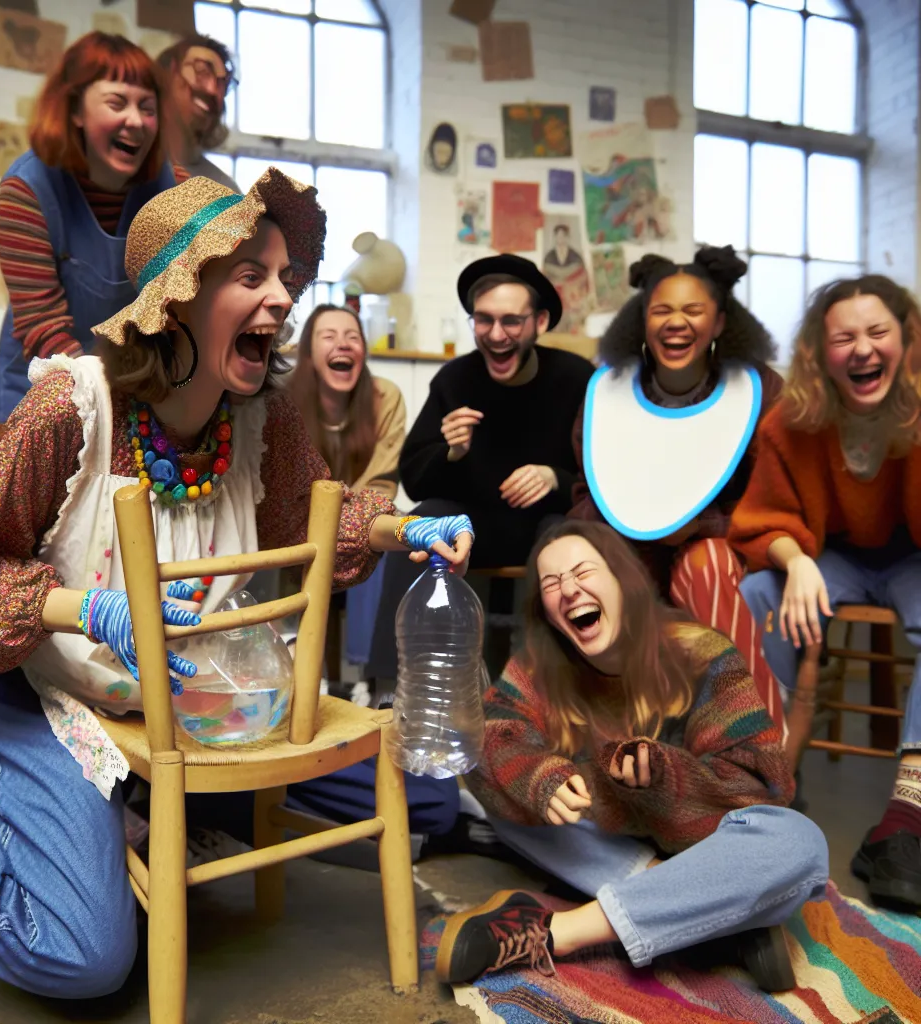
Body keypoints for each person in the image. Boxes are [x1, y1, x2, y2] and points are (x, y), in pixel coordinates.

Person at [0, 170, 475, 997]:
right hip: (35, 692)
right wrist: (92, 609)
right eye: (252, 278)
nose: (282, 300)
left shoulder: (262, 420)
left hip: (196, 702)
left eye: (283, 278)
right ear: (176, 297)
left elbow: (324, 519)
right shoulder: (71, 408)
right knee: (87, 959)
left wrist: (403, 526)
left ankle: (147, 814)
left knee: (428, 805)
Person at [433, 520, 828, 991]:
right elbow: (491, 738)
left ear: (623, 580)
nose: (569, 589)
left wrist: (664, 780)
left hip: (707, 844)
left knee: (799, 844)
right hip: (617, 844)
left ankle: (557, 932)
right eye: (552, 583)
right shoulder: (539, 667)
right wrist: (542, 779)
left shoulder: (703, 653)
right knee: (501, 792)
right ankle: (725, 926)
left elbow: (762, 786)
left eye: (583, 571)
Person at [730, 274, 921, 910]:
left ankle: (907, 814)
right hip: (833, 553)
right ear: (820, 351)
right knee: (761, 590)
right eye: (844, 338)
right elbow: (761, 518)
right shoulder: (794, 418)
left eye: (877, 333)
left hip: (914, 557)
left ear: (907, 340)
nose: (862, 349)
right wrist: (797, 561)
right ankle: (774, 767)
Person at [569, 247, 786, 729]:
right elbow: (587, 491)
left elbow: (774, 500)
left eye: (693, 310)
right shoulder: (608, 393)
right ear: (641, 320)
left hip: (722, 550)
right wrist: (619, 536)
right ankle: (618, 746)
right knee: (590, 570)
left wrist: (693, 528)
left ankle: (749, 744)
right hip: (627, 545)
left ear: (722, 322)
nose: (676, 323)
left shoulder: (759, 392)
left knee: (703, 565)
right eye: (661, 310)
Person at [365, 254, 595, 685]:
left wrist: (555, 478)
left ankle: (557, 692)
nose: (496, 335)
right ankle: (392, 686)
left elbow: (605, 478)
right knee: (421, 521)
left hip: (545, 528)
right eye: (483, 320)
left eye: (512, 321)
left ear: (540, 322)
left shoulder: (576, 378)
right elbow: (414, 481)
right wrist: (449, 453)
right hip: (474, 529)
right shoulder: (456, 379)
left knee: (567, 531)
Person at [0, 31, 184, 422]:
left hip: (136, 396)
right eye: (117, 103)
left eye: (147, 107)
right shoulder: (26, 191)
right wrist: (105, 402)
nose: (136, 120)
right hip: (43, 397)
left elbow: (185, 309)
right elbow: (44, 327)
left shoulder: (175, 192)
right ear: (75, 110)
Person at [287, 303, 405, 676]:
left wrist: (350, 521)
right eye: (329, 336)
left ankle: (370, 678)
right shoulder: (282, 400)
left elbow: (381, 481)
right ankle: (290, 665)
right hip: (297, 519)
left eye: (353, 337)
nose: (343, 344)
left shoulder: (385, 398)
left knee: (387, 531)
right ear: (308, 353)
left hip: (362, 516)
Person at [156, 33, 241, 192]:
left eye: (222, 83)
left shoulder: (225, 194)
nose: (213, 90)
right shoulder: (128, 170)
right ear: (168, 75)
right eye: (201, 72)